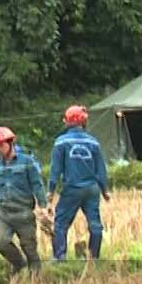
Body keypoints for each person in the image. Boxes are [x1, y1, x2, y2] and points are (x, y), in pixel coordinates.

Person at [48, 105, 110, 262]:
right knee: (95, 224)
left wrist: (51, 190)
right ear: (83, 121)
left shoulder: (61, 142)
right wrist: (105, 190)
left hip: (72, 189)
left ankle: (59, 258)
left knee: (61, 223)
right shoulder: (93, 142)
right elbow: (100, 169)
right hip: (92, 189)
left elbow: (56, 169)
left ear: (67, 122)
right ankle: (93, 258)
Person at [0, 125, 47, 275]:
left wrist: (43, 206)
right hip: (4, 214)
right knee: (0, 242)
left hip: (24, 213)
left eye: (1, 145)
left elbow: (37, 185)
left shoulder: (27, 162)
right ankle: (19, 263)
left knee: (30, 249)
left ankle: (36, 282)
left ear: (10, 143)